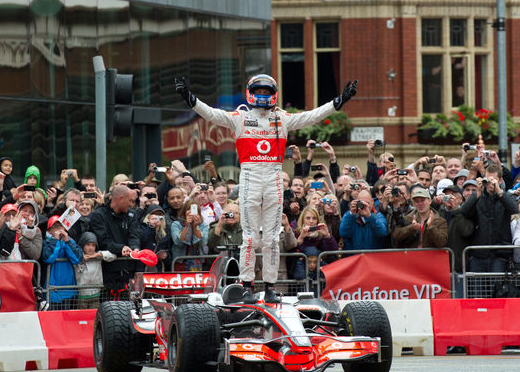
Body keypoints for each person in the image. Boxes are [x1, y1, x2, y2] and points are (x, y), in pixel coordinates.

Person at [175, 73, 357, 304]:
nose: (262, 96)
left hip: (273, 177)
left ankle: (270, 286)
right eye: (258, 92)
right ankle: (246, 286)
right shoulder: (239, 117)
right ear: (251, 93)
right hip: (250, 176)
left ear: (273, 95)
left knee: (272, 237)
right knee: (250, 238)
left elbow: (312, 116)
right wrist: (189, 98)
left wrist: (339, 101)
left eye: (266, 93)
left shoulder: (282, 119)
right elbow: (212, 114)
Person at [88, 186, 142, 301]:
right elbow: (103, 241)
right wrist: (120, 248)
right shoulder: (99, 215)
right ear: (121, 198)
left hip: (128, 273)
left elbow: (135, 235)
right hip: (107, 274)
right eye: (130, 200)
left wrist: (134, 248)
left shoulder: (132, 215)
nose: (131, 204)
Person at [41, 216, 83, 309]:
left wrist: (67, 241)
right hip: (51, 290)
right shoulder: (46, 242)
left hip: (67, 289)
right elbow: (49, 258)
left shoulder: (70, 241)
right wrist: (55, 240)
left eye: (61, 226)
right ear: (49, 230)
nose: (59, 229)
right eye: (55, 226)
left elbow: (77, 259)